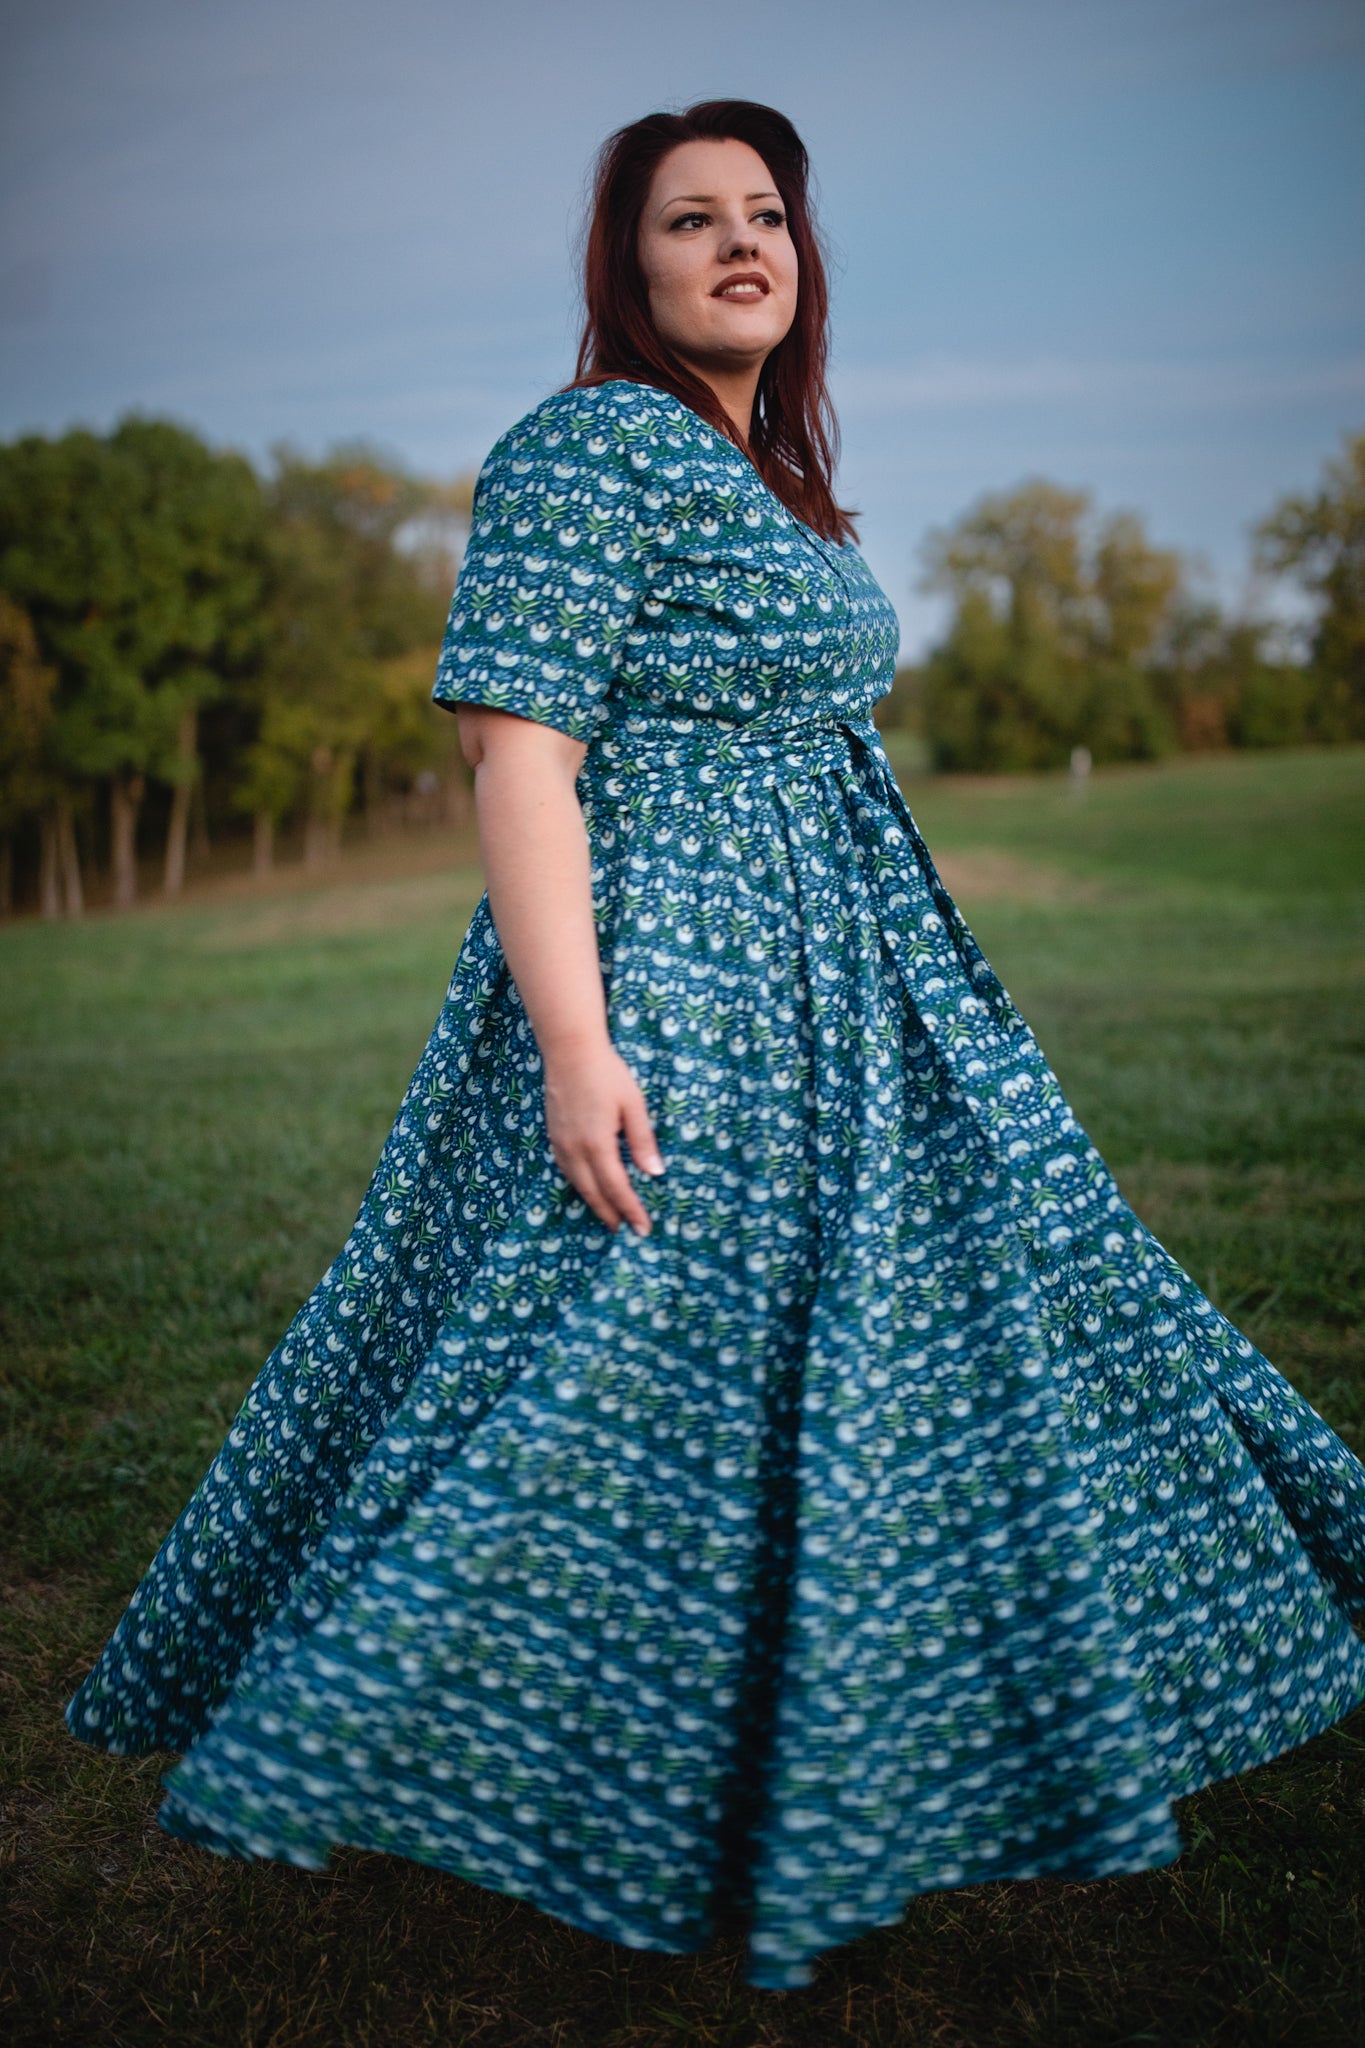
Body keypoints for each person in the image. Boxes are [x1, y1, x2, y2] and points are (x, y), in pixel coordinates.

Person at [64, 98, 1365, 1994]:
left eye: (766, 214)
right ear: (627, 265)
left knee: (890, 1350)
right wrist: (576, 1044)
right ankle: (432, 1729)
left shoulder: (766, 481)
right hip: (680, 982)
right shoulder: (590, 444)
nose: (741, 242)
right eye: (690, 219)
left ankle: (802, 1762)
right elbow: (517, 754)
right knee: (604, 1364)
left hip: (848, 984)